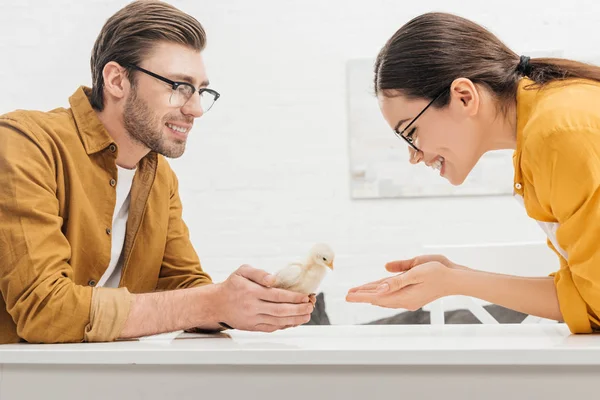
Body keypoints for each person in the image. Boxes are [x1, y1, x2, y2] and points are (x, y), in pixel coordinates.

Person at [0, 0, 314, 344]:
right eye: (178, 87)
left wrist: (251, 300)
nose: (195, 109)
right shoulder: (24, 143)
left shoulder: (158, 176)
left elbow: (184, 286)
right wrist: (209, 303)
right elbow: (45, 310)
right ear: (117, 80)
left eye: (199, 90)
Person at [346, 12, 600, 334]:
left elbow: (595, 305)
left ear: (464, 97)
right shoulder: (545, 125)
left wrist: (455, 281)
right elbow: (585, 294)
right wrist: (453, 277)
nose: (414, 156)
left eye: (411, 132)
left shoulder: (557, 134)